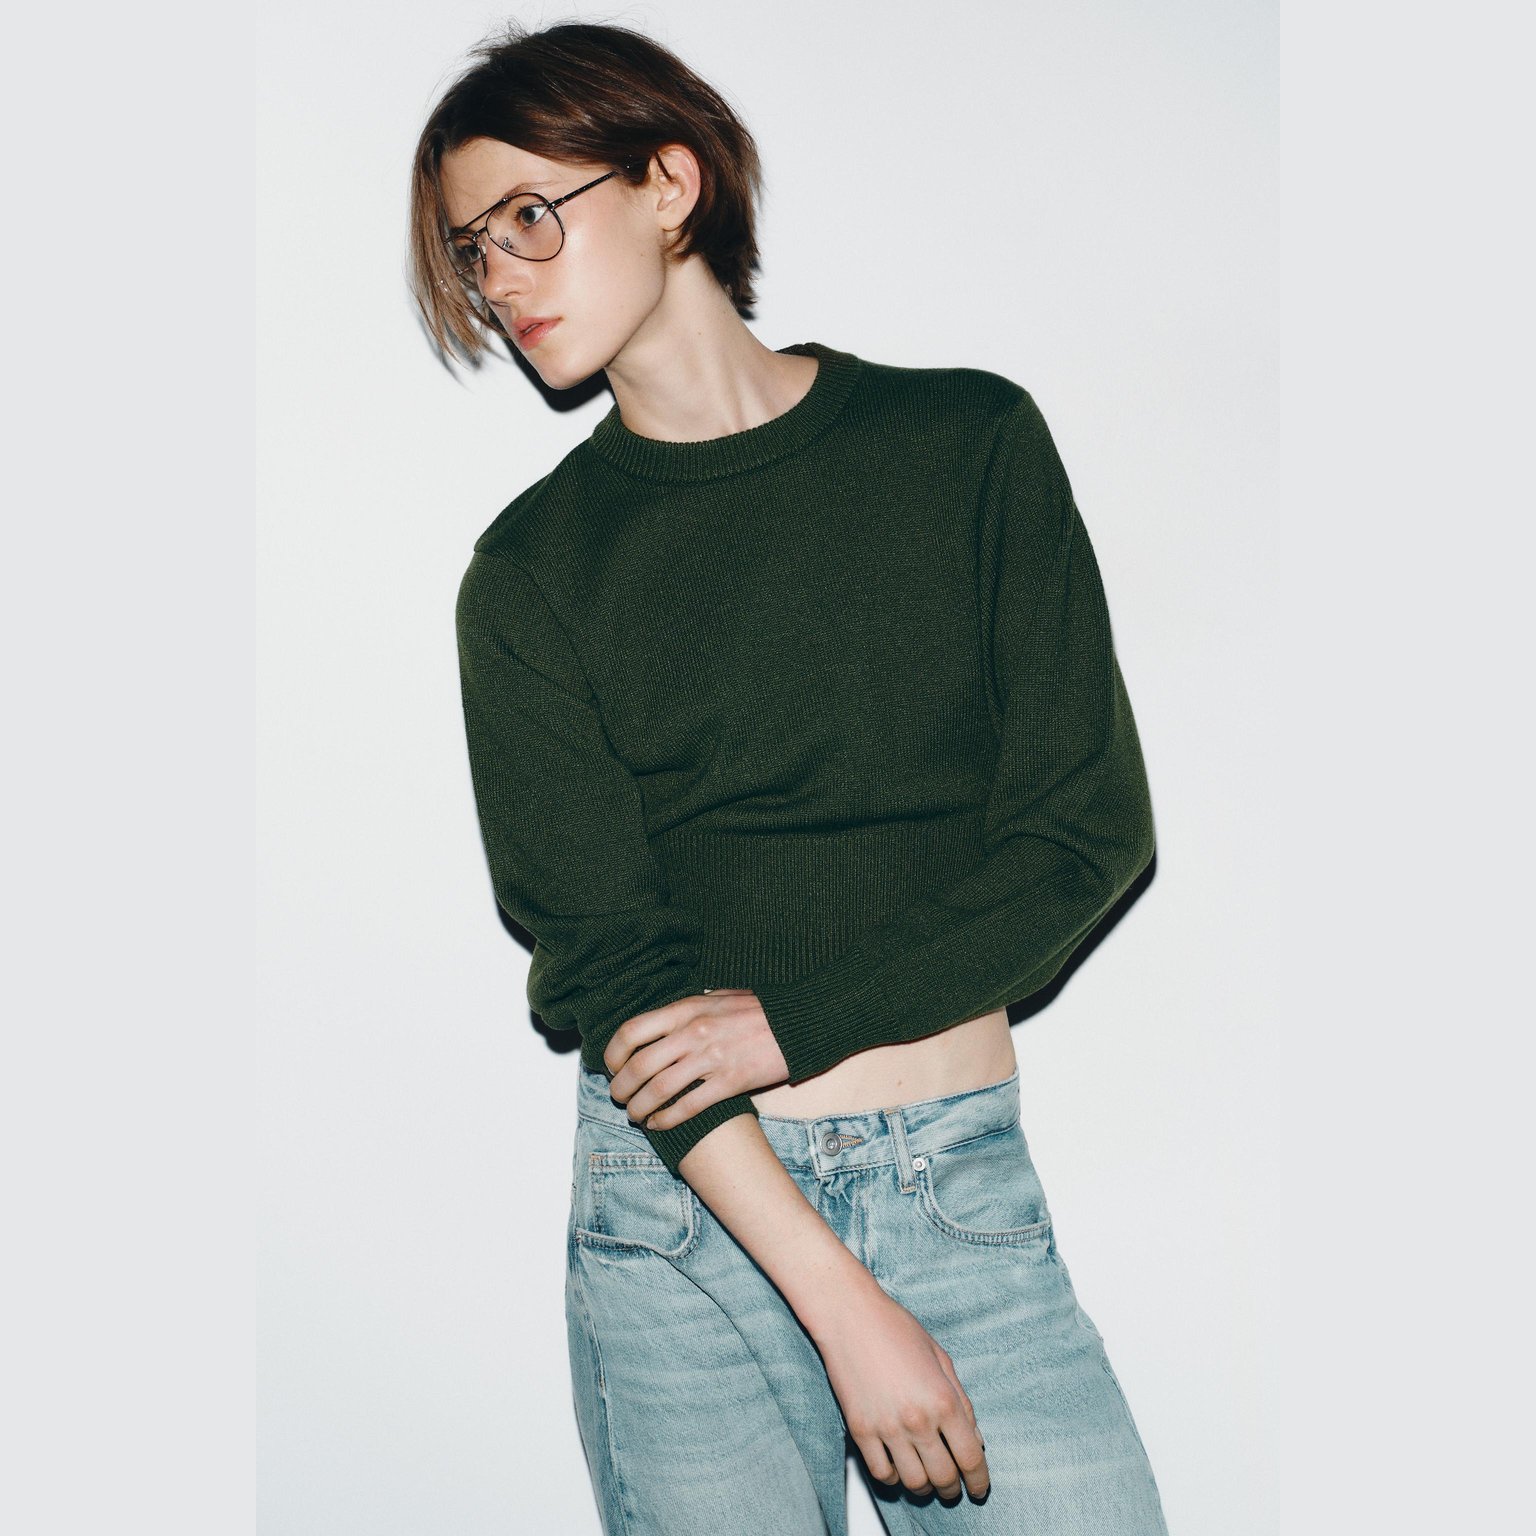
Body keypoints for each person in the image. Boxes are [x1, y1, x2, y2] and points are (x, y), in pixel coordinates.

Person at [409, 19, 1169, 1536]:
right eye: (471, 253)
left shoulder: (964, 444)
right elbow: (614, 971)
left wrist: (791, 1021)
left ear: (669, 182)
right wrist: (841, 1302)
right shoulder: (534, 575)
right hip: (684, 1225)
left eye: (529, 219)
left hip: (955, 1179)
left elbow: (1086, 832)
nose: (501, 280)